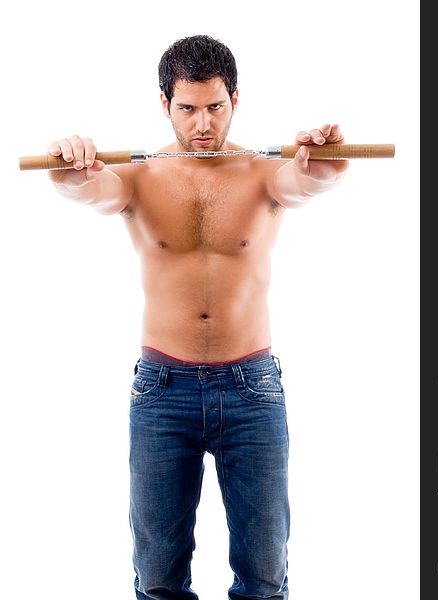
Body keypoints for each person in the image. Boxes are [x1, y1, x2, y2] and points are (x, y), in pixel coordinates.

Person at [47, 34, 348, 600]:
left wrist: (325, 166)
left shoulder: (263, 173)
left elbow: (306, 181)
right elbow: (92, 190)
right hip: (163, 390)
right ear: (165, 105)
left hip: (251, 389)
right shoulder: (137, 176)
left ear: (236, 99)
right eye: (188, 109)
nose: (203, 124)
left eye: (216, 106)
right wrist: (70, 174)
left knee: (264, 576)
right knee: (158, 577)